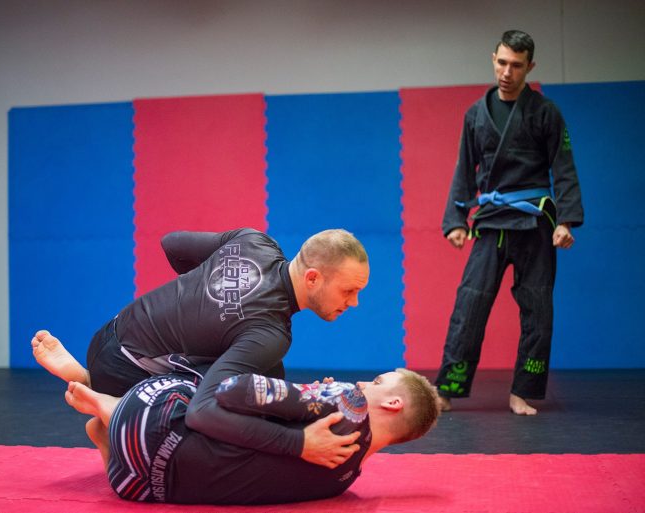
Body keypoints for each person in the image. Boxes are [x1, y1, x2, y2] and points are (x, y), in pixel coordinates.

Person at [32, 227, 370, 466]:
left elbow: (173, 243)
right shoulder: (270, 333)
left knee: (269, 377)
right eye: (348, 291)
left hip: (109, 332)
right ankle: (112, 409)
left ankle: (91, 381)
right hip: (126, 372)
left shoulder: (254, 241)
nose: (354, 303)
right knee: (232, 418)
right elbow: (201, 412)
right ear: (312, 278)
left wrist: (202, 299)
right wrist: (298, 443)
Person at [435, 30, 584, 415]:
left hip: (535, 223)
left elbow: (563, 166)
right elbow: (464, 168)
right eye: (502, 62)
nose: (507, 72)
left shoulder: (546, 112)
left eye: (516, 65)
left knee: (538, 309)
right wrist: (456, 220)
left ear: (529, 67)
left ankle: (522, 392)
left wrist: (566, 220)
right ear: (493, 59)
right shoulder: (476, 114)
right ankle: (447, 389)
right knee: (469, 305)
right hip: (491, 222)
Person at [63, 367, 441, 505]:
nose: (363, 383)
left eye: (377, 382)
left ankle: (106, 401)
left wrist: (314, 394)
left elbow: (235, 390)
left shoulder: (349, 401)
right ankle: (107, 428)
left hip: (148, 424)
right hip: (138, 487)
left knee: (199, 381)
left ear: (392, 403)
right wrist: (310, 402)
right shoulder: (345, 478)